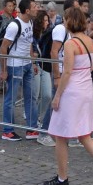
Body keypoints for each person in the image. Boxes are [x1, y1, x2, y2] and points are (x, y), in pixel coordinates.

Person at [44, 8, 93, 185]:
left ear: (70, 22)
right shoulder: (89, 42)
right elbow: (90, 67)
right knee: (84, 135)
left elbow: (67, 72)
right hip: (85, 89)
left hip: (72, 91)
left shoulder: (71, 44)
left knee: (60, 136)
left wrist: (58, 95)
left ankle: (62, 178)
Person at [0, 0, 39, 141]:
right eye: (34, 6)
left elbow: (29, 42)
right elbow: (3, 47)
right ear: (27, 10)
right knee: (11, 99)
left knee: (31, 97)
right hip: (15, 65)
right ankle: (7, 130)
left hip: (27, 64)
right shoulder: (14, 26)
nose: (37, 8)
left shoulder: (30, 21)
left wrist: (32, 62)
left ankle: (32, 129)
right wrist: (4, 70)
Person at [33, 9, 56, 147]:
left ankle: (42, 118)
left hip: (45, 66)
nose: (47, 23)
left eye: (48, 20)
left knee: (47, 94)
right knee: (35, 94)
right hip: (36, 64)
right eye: (44, 20)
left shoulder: (50, 33)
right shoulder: (35, 34)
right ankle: (34, 119)